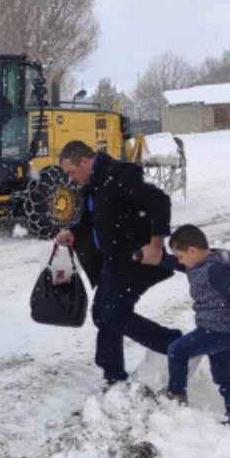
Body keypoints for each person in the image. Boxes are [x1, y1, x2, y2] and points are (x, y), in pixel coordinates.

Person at [56, 140, 181, 385]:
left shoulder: (121, 174)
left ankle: (176, 345)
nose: (71, 178)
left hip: (132, 259)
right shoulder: (95, 180)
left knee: (113, 314)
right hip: (111, 260)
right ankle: (112, 375)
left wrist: (156, 245)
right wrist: (72, 231)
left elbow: (160, 201)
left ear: (85, 161)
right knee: (103, 315)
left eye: (72, 171)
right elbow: (97, 214)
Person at [162, 224, 230, 431]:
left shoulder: (216, 270)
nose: (180, 262)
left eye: (181, 256)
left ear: (192, 250)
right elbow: (176, 264)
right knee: (223, 374)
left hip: (218, 331)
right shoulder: (203, 262)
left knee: (177, 350)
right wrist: (154, 257)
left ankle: (175, 396)